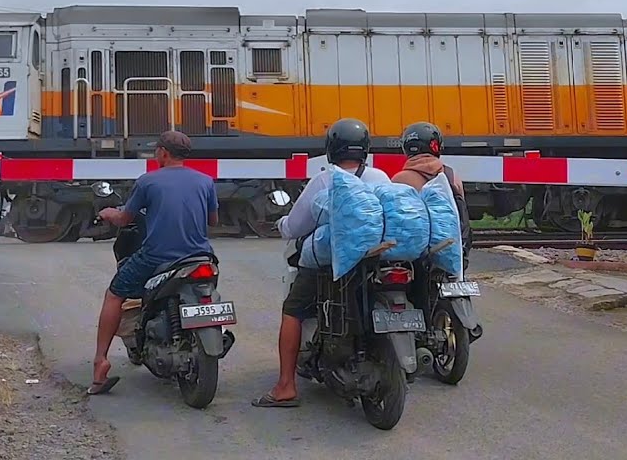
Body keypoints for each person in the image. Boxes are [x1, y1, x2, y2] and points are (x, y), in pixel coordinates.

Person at [252, 118, 391, 409]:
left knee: (293, 310)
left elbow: (296, 226)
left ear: (331, 149)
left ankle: (286, 386)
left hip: (332, 265)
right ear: (365, 148)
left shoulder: (325, 180)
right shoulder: (380, 177)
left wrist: (281, 224)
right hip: (378, 259)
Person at [88, 130, 218, 395]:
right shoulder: (205, 181)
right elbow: (212, 220)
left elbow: (125, 219)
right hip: (201, 257)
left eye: (156, 150)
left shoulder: (148, 182)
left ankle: (100, 363)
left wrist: (109, 213)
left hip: (158, 257)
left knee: (114, 295)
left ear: (163, 152)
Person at [389, 121, 471, 270]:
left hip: (413, 258)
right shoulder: (451, 176)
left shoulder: (400, 179)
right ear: (436, 146)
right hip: (451, 251)